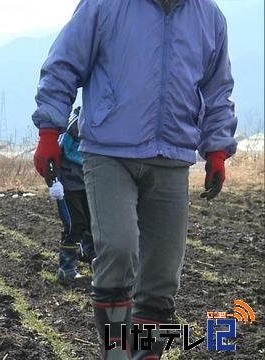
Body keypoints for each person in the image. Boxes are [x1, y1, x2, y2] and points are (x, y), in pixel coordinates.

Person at [32, 1, 237, 359]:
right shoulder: (104, 5)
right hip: (109, 151)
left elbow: (217, 88)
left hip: (172, 156)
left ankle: (145, 356)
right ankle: (115, 353)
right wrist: (49, 130)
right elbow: (63, 63)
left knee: (161, 277)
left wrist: (216, 149)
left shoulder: (209, 16)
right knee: (117, 248)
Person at [48, 107, 95, 284]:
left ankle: (95, 265)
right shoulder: (76, 123)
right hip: (69, 184)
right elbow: (59, 150)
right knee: (75, 225)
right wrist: (54, 181)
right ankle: (66, 269)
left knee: (93, 224)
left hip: (87, 181)